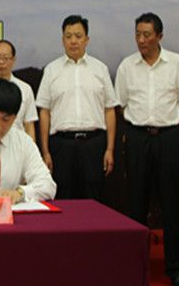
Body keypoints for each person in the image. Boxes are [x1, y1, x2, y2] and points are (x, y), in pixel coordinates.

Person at [115, 13, 179, 286]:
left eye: (147, 35)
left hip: (168, 138)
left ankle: (176, 270)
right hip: (138, 138)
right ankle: (138, 269)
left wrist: (166, 124)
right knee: (137, 204)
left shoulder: (176, 63)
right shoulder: (127, 66)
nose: (141, 40)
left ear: (160, 36)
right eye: (137, 34)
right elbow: (121, 105)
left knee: (171, 204)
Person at [36, 14, 119, 201]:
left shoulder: (100, 69)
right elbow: (45, 112)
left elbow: (109, 110)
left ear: (87, 39)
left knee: (94, 199)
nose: (73, 41)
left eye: (78, 36)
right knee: (63, 199)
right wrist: (46, 151)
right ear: (62, 40)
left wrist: (110, 149)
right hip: (61, 146)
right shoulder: (51, 70)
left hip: (94, 145)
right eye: (69, 36)